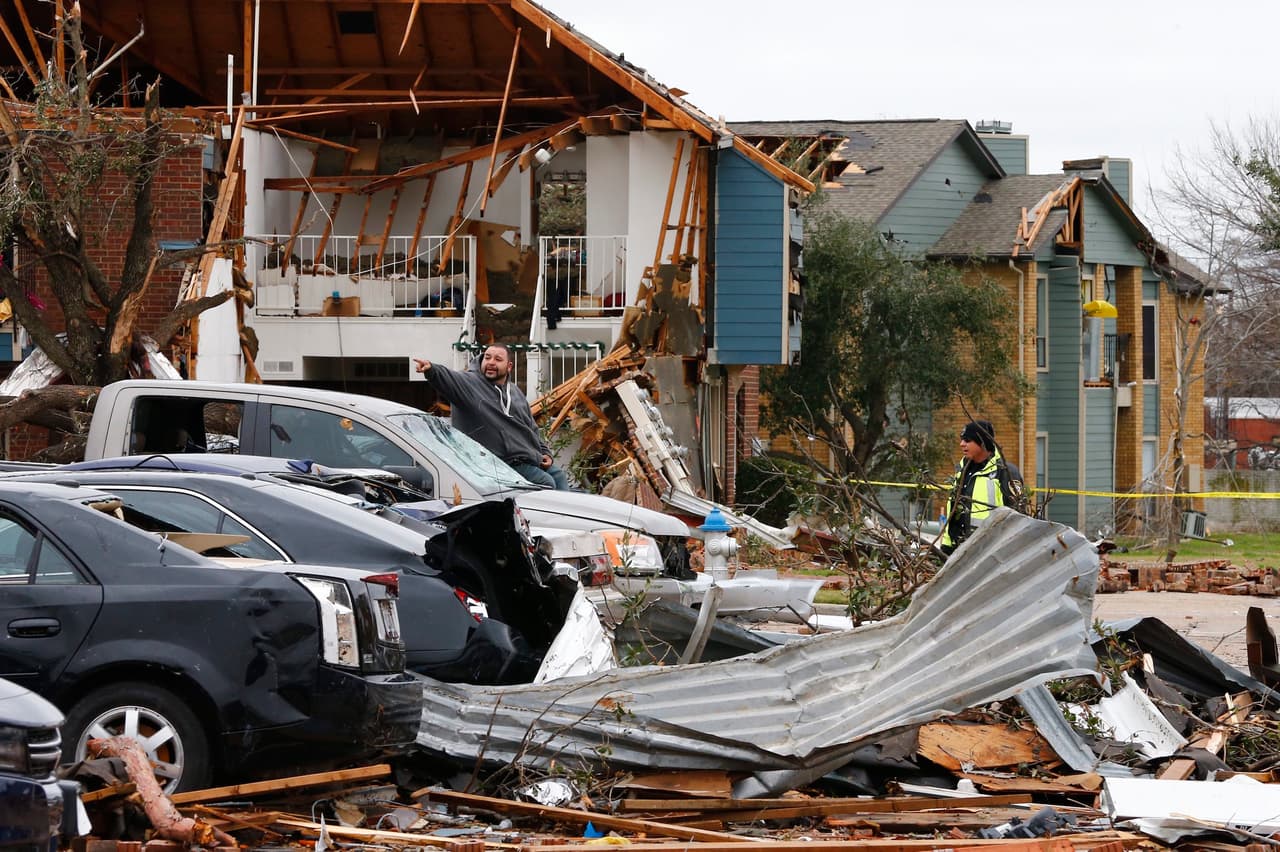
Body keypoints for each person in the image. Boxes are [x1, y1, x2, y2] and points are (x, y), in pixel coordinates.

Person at [413, 344, 570, 490]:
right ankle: (539, 519)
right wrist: (431, 370)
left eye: (498, 359)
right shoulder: (468, 384)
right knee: (546, 483)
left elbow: (531, 427)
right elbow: (448, 378)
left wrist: (545, 452)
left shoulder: (514, 392)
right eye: (487, 357)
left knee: (559, 476)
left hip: (526, 458)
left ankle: (565, 519)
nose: (491, 362)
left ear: (509, 367)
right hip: (496, 463)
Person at [939, 420, 1025, 554]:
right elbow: (953, 511)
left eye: (967, 440)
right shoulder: (962, 471)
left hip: (989, 552)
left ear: (983, 442)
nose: (962, 444)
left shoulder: (1004, 472)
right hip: (958, 550)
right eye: (962, 440)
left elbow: (1018, 517)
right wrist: (946, 547)